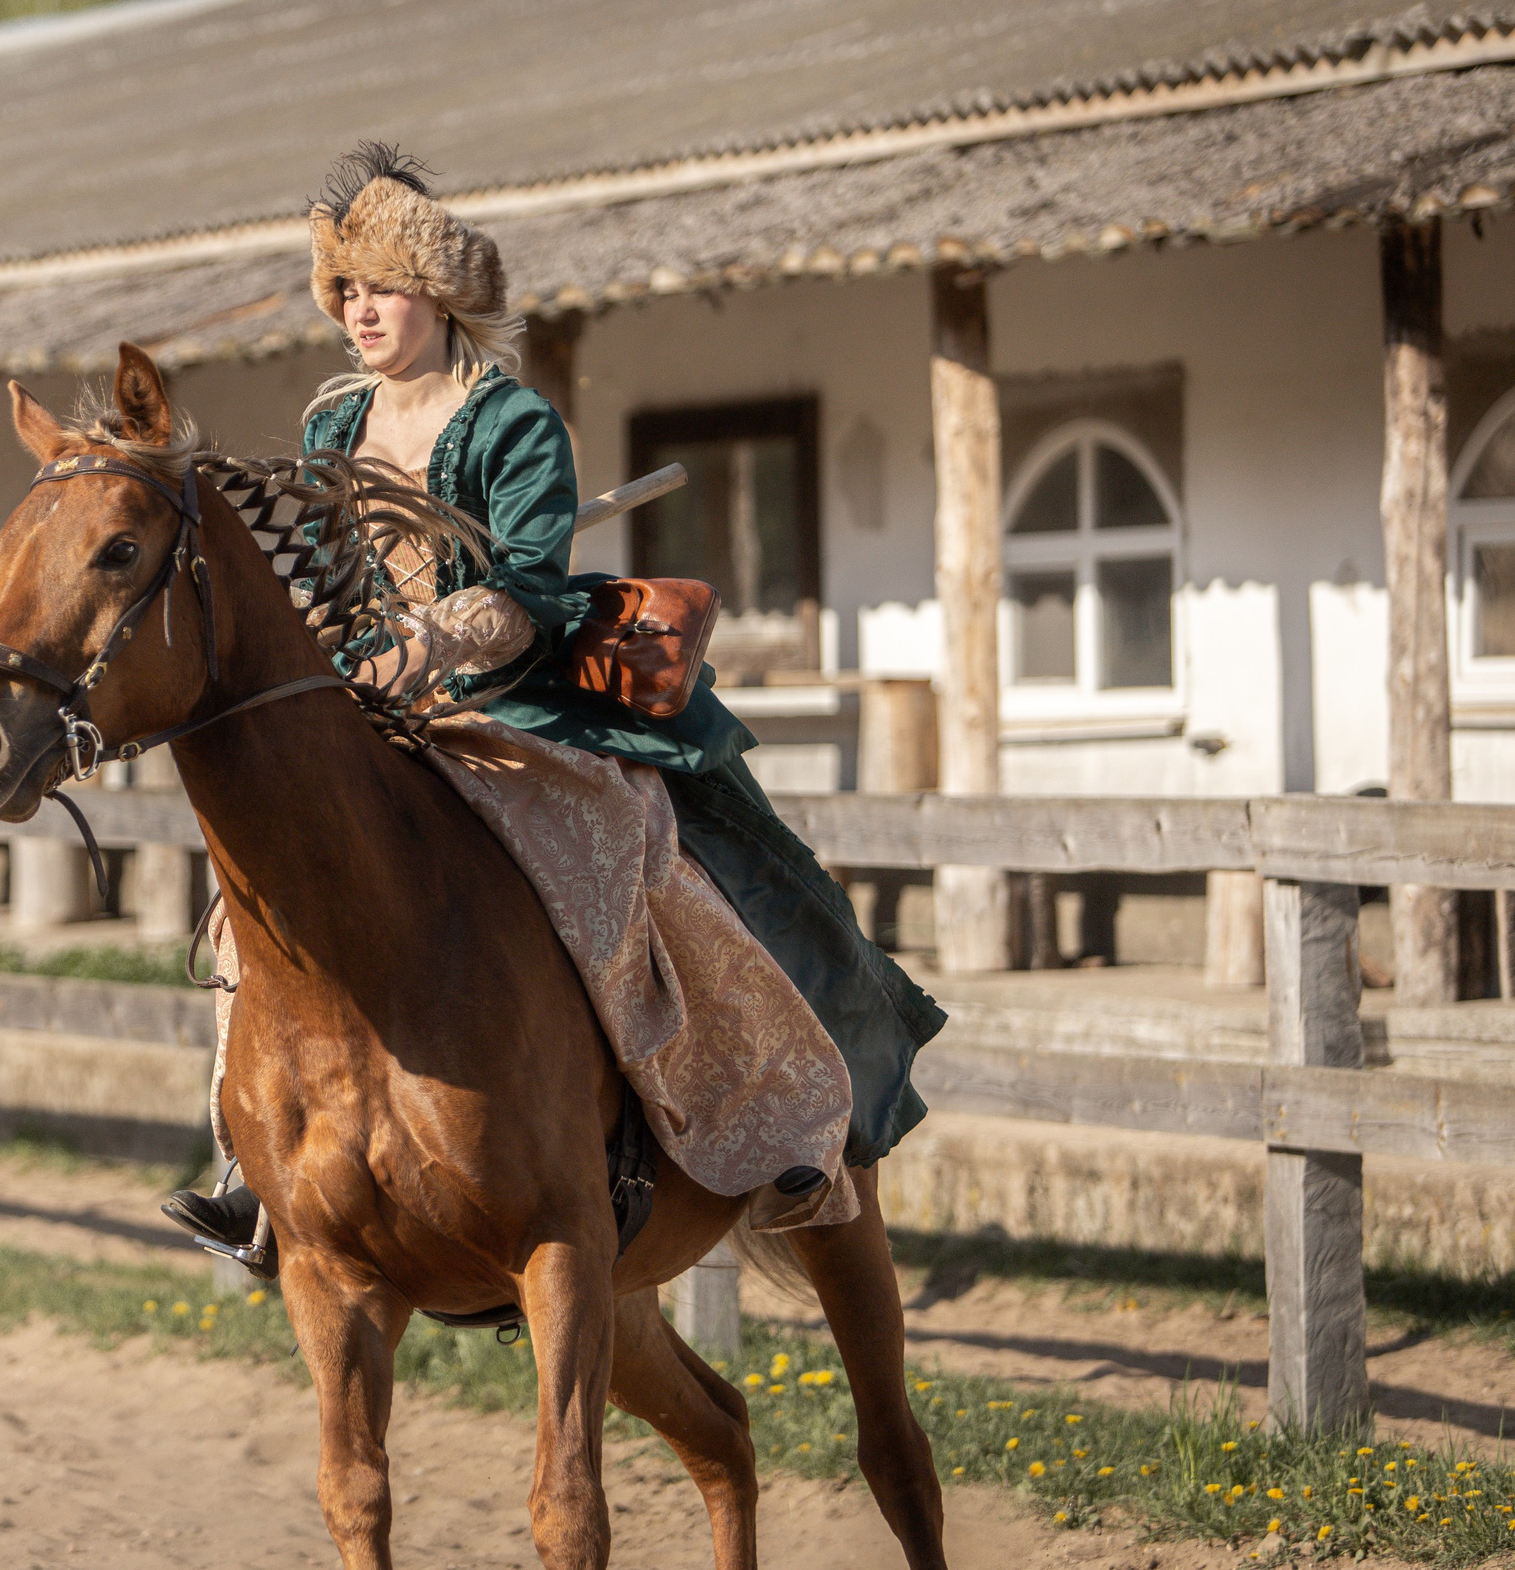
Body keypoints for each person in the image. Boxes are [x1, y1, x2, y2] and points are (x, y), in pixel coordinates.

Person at [164, 144, 945, 1252]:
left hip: (503, 701)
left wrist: (431, 641)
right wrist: (333, 658)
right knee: (253, 899)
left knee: (617, 841)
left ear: (434, 291)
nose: (358, 312)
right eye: (343, 292)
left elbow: (527, 590)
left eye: (377, 287)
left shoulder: (510, 423)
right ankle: (253, 1165)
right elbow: (320, 582)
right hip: (362, 712)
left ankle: (745, 1121)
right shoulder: (330, 429)